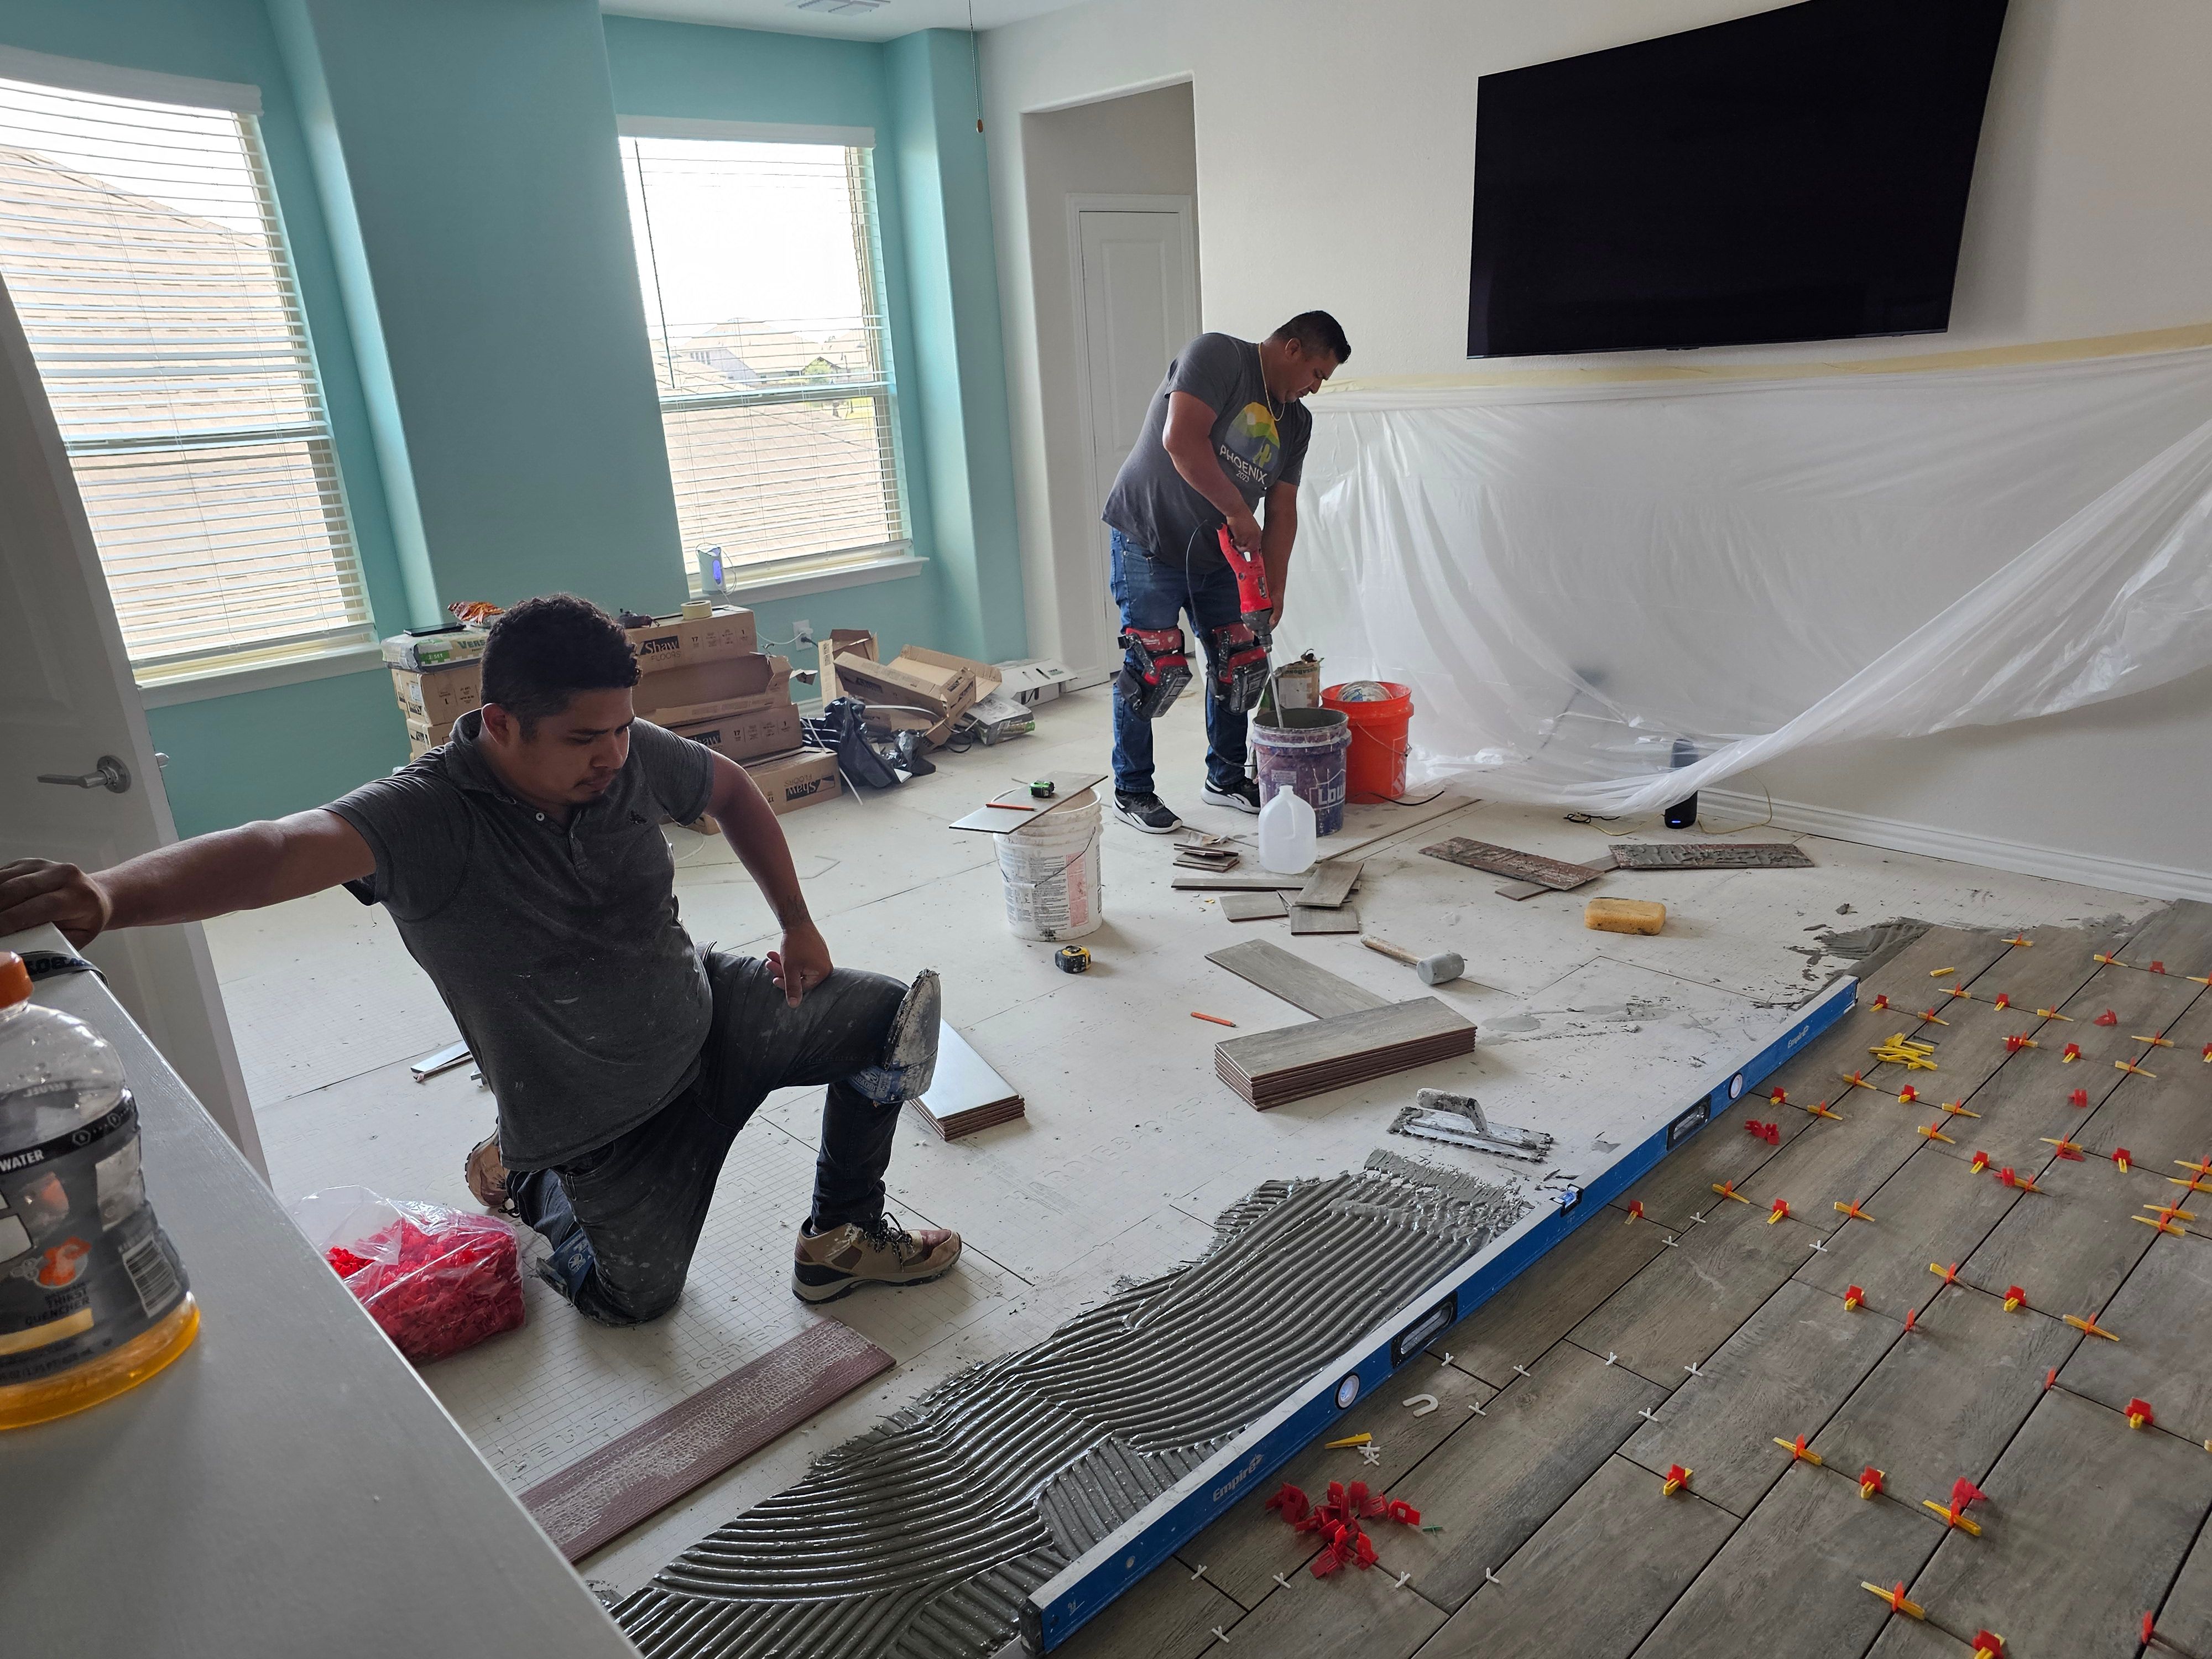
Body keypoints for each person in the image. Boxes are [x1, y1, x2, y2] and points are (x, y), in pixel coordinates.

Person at [0, 594, 961, 1324]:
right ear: (501, 723)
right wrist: (109, 895)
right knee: (637, 1302)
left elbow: (732, 792)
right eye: (585, 739)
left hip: (710, 1016)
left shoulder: (625, 750)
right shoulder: (423, 817)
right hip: (599, 1122)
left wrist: (795, 922)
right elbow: (276, 850)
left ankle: (842, 1234)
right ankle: (533, 1174)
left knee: (892, 1019)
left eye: (622, 728)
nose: (614, 756)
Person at [1099, 311, 1350, 834]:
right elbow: (1180, 439)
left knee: (1242, 659)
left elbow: (1282, 509)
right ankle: (1132, 790)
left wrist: (1273, 588)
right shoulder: (1218, 356)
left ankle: (1226, 778)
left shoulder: (1297, 422)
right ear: (1293, 349)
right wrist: (1237, 511)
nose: (1316, 388)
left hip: (1217, 557)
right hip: (1149, 535)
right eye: (1317, 374)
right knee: (1153, 665)